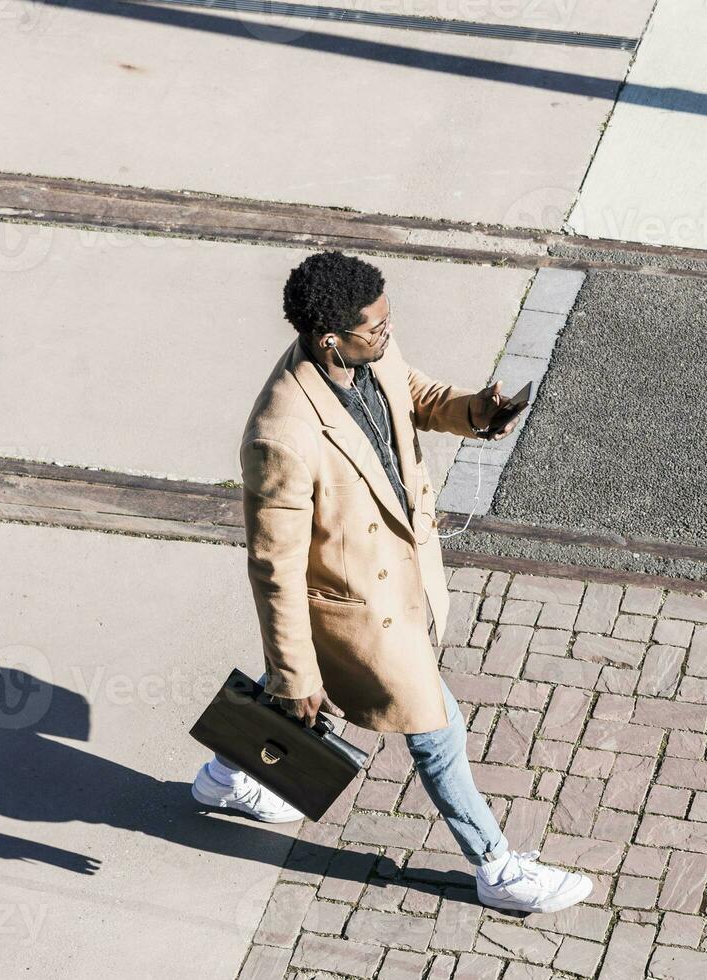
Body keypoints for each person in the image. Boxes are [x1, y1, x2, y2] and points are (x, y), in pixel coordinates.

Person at [191, 250, 592, 915]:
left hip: (399, 572)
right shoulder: (281, 433)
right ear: (328, 338)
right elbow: (274, 566)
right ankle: (496, 868)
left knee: (300, 688)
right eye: (374, 328)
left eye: (386, 321)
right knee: (436, 730)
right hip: (359, 604)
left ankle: (223, 776)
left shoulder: (366, 347)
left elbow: (415, 396)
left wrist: (474, 412)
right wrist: (296, 675)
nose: (386, 333)